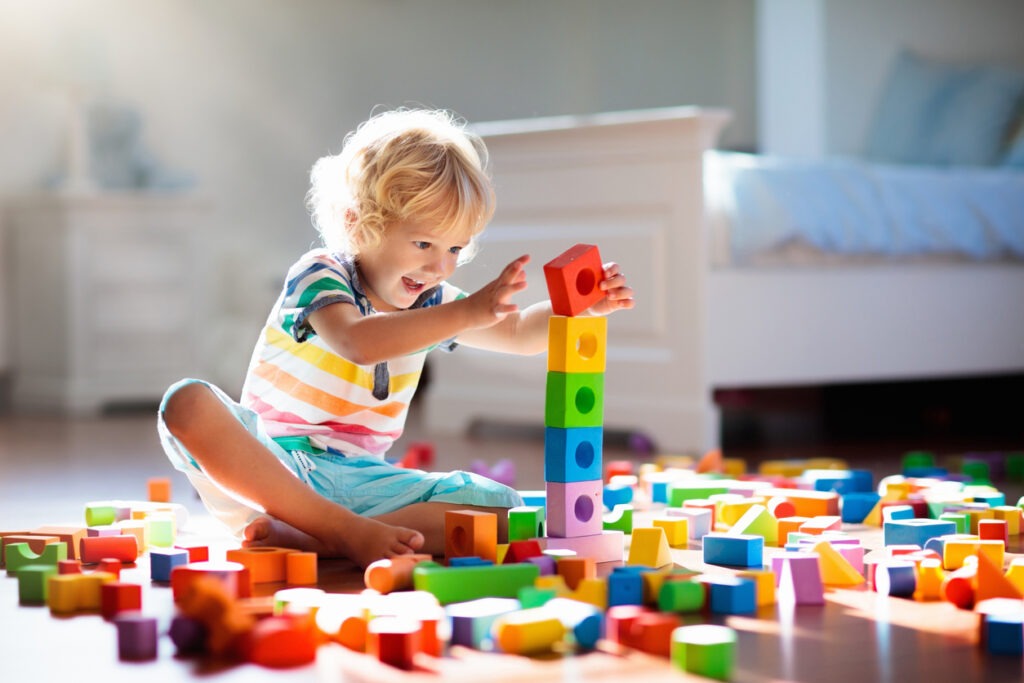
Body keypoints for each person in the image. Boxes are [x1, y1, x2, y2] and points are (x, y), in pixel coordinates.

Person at [158, 108, 634, 568]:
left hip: (365, 482)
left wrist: (579, 307)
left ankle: (319, 537)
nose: (440, 267)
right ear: (357, 224)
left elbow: (518, 333)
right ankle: (338, 530)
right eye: (424, 244)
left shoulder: (433, 299)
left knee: (505, 511)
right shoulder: (320, 274)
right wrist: (465, 312)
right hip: (274, 471)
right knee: (187, 403)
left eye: (454, 249)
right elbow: (356, 341)